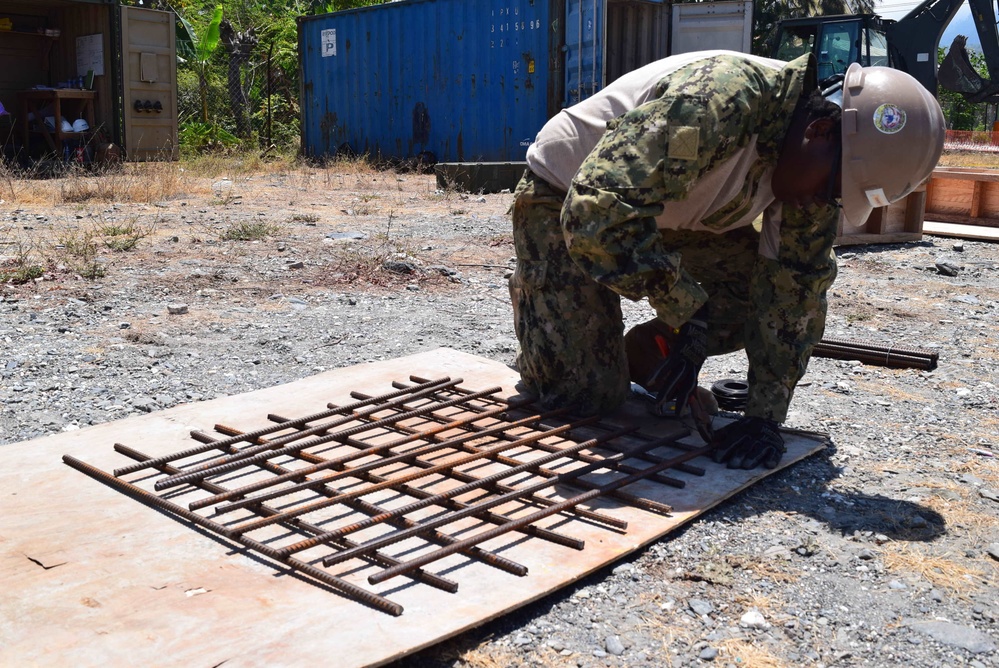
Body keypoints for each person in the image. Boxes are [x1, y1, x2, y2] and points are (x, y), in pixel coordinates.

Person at [509, 50, 944, 469]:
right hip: (568, 198)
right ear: (821, 132)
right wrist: (684, 304)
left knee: (752, 302)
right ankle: (549, 327)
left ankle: (650, 354)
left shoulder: (814, 170)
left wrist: (764, 417)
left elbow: (795, 294)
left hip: (671, 213)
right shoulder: (719, 102)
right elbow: (596, 214)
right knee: (584, 398)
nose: (823, 201)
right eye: (832, 187)